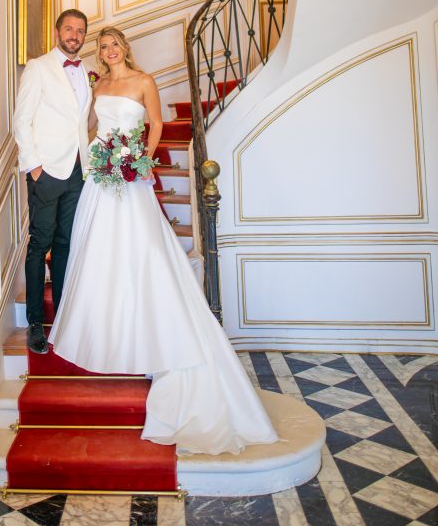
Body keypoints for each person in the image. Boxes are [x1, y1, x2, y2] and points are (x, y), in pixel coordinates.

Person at [49, 26, 279, 455]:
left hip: (131, 175)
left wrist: (140, 157)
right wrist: (96, 157)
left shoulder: (144, 81)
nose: (108, 49)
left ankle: (150, 325)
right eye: (103, 46)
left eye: (113, 43)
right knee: (97, 251)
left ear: (125, 48)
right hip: (101, 177)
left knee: (145, 251)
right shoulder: (100, 84)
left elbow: (156, 123)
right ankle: (104, 329)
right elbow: (93, 125)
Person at [13, 9, 92, 354]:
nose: (74, 35)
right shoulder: (38, 67)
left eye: (80, 30)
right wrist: (34, 168)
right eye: (69, 29)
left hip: (77, 171)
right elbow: (22, 119)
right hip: (46, 172)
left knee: (65, 245)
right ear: (57, 31)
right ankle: (34, 324)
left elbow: (82, 122)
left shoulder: (86, 71)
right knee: (39, 246)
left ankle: (61, 316)